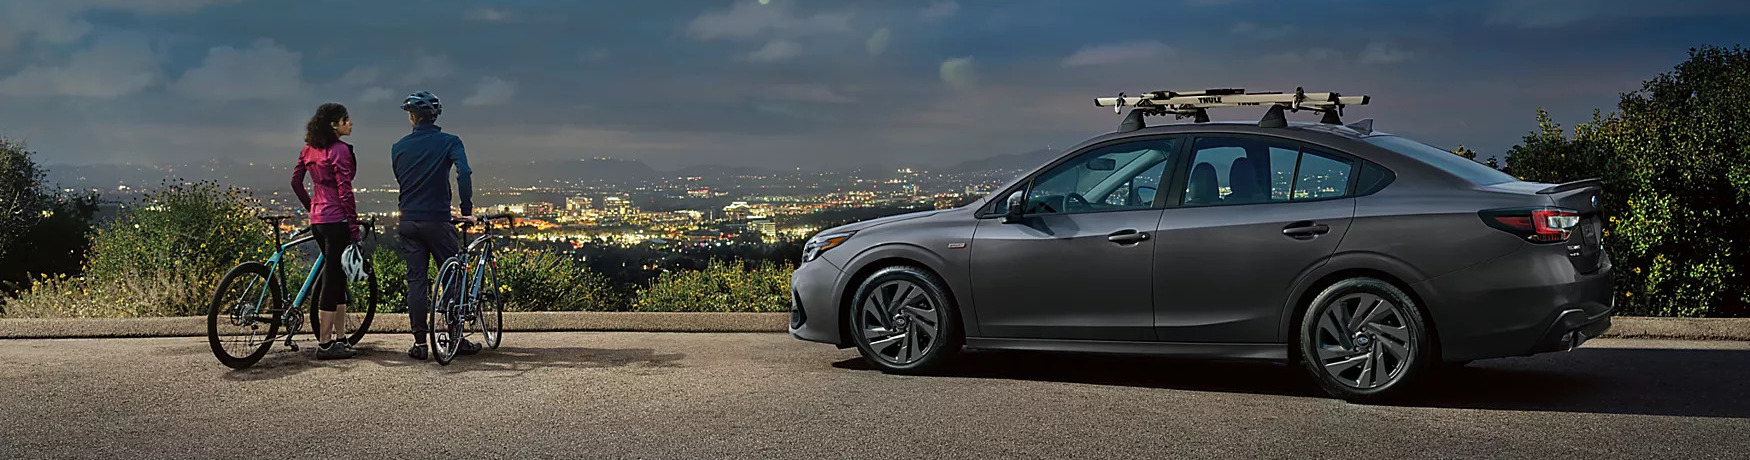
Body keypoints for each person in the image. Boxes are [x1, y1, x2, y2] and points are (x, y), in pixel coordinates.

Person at [392, 90, 482, 360]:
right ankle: (456, 338)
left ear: (412, 117)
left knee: (416, 282)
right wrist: (466, 210)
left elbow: (401, 177)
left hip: (408, 220)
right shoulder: (450, 141)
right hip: (438, 219)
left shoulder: (398, 147)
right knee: (453, 276)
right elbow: (464, 172)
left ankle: (420, 343)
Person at [291, 102, 361, 360]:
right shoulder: (339, 151)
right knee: (332, 280)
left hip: (318, 219)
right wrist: (353, 226)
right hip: (336, 221)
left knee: (338, 277)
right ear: (335, 125)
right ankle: (325, 344)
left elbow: (295, 182)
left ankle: (340, 338)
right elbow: (345, 190)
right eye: (346, 120)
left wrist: (312, 207)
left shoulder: (308, 150)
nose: (350, 124)